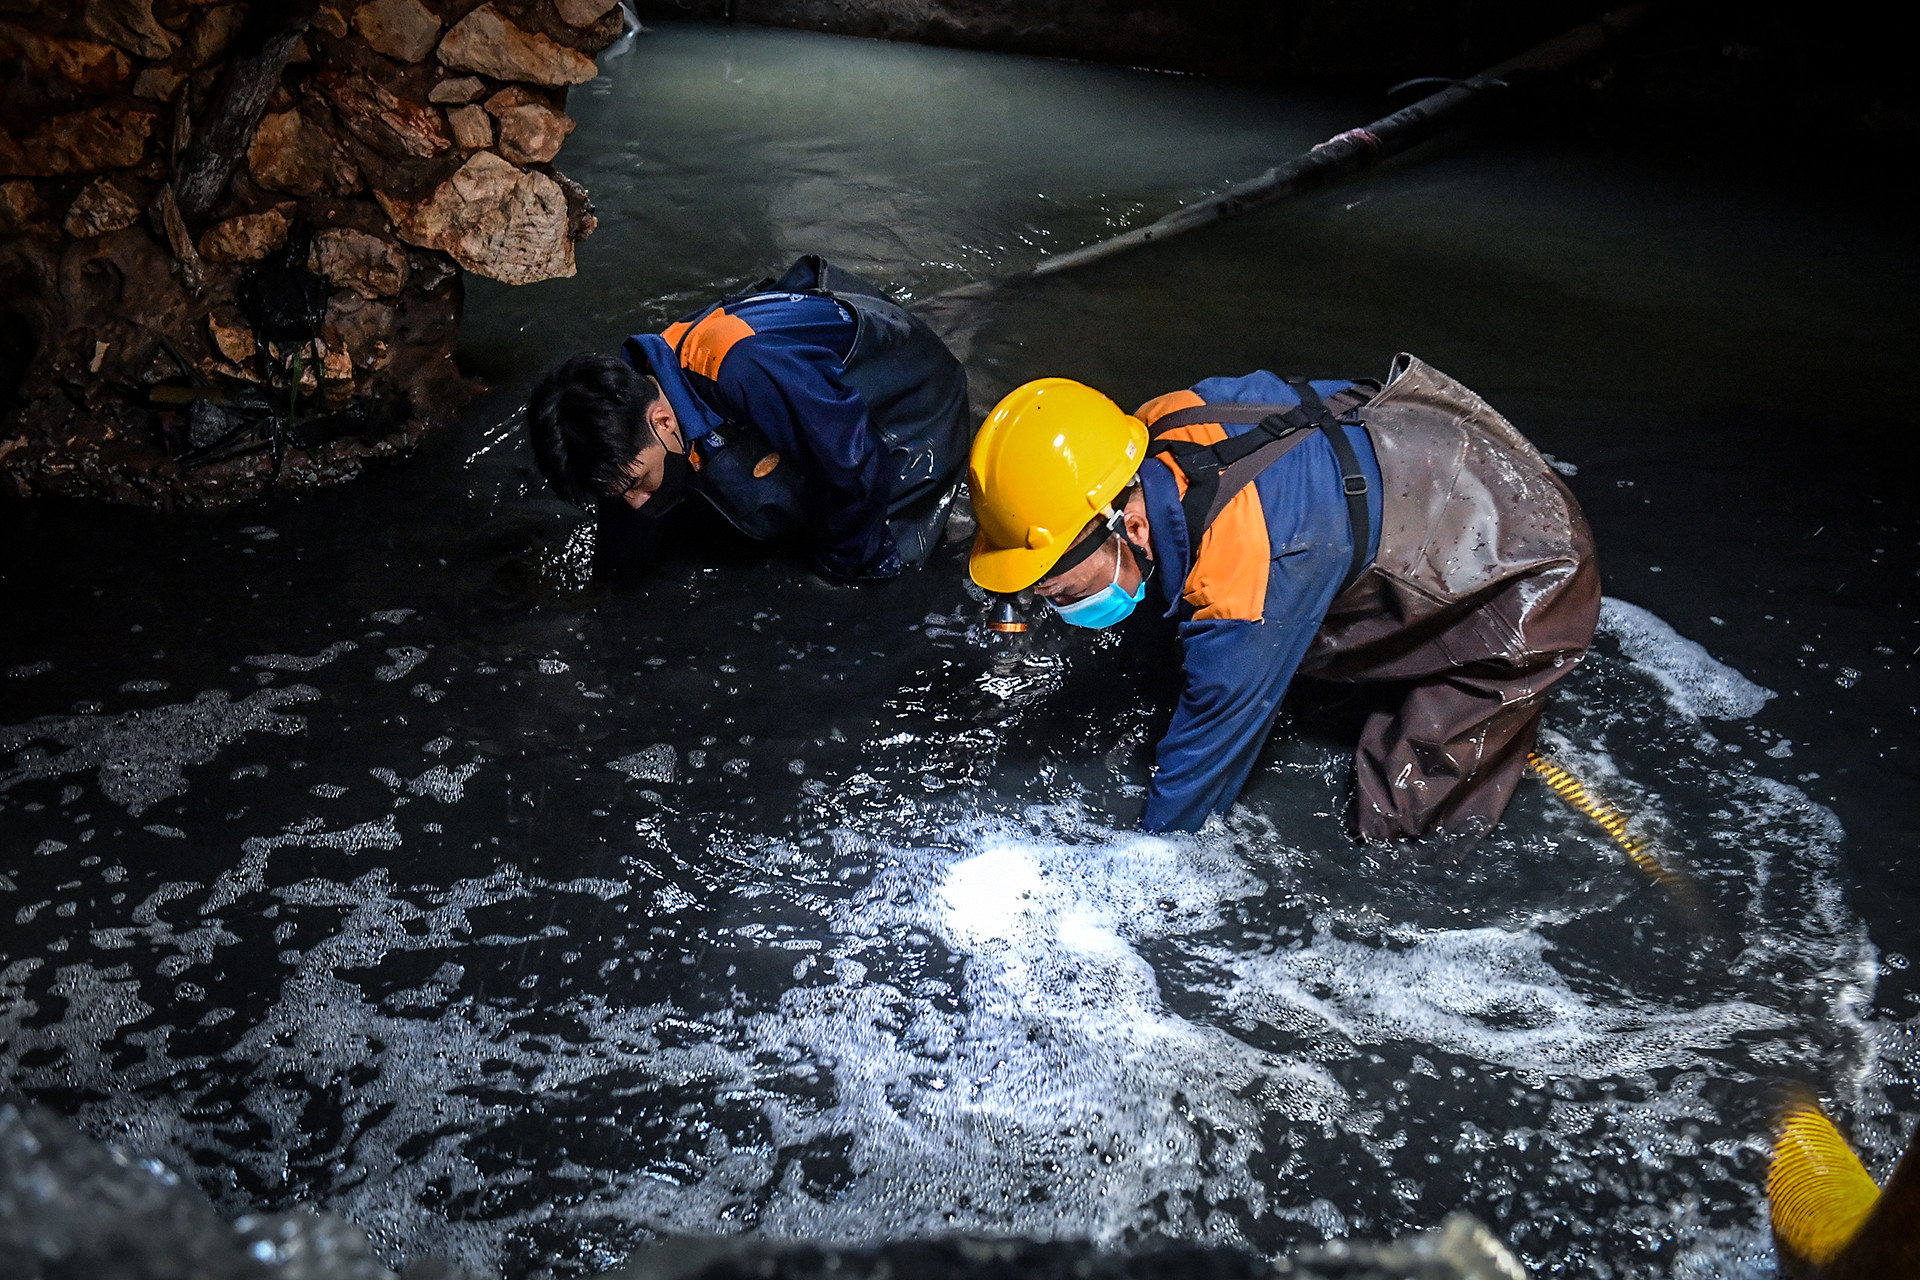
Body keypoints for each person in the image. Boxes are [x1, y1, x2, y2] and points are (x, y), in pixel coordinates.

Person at [965, 355, 1600, 840]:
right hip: (1435, 443)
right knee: (1193, 644)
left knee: (1400, 810)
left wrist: (1137, 871)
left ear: (1130, 528)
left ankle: (1413, 851)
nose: (1047, 603)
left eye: (1051, 584)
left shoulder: (1244, 584)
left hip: (1528, 569)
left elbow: (1197, 780)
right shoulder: (1154, 428)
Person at [526, 255, 971, 581]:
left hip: (912, 396)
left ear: (663, 421)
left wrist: (841, 570)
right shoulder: (630, 402)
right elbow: (624, 496)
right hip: (798, 369)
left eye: (635, 482)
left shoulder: (744, 370)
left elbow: (852, 464)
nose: (635, 499)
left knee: (859, 557)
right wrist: (606, 590)